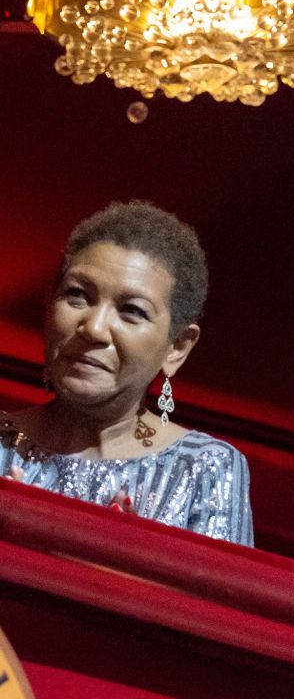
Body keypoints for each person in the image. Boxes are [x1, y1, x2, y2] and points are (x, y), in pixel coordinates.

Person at [0, 201, 253, 545]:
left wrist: (126, 576)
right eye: (77, 295)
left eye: (132, 311)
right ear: (48, 305)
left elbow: (216, 596)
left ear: (177, 347)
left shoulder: (204, 469)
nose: (95, 327)